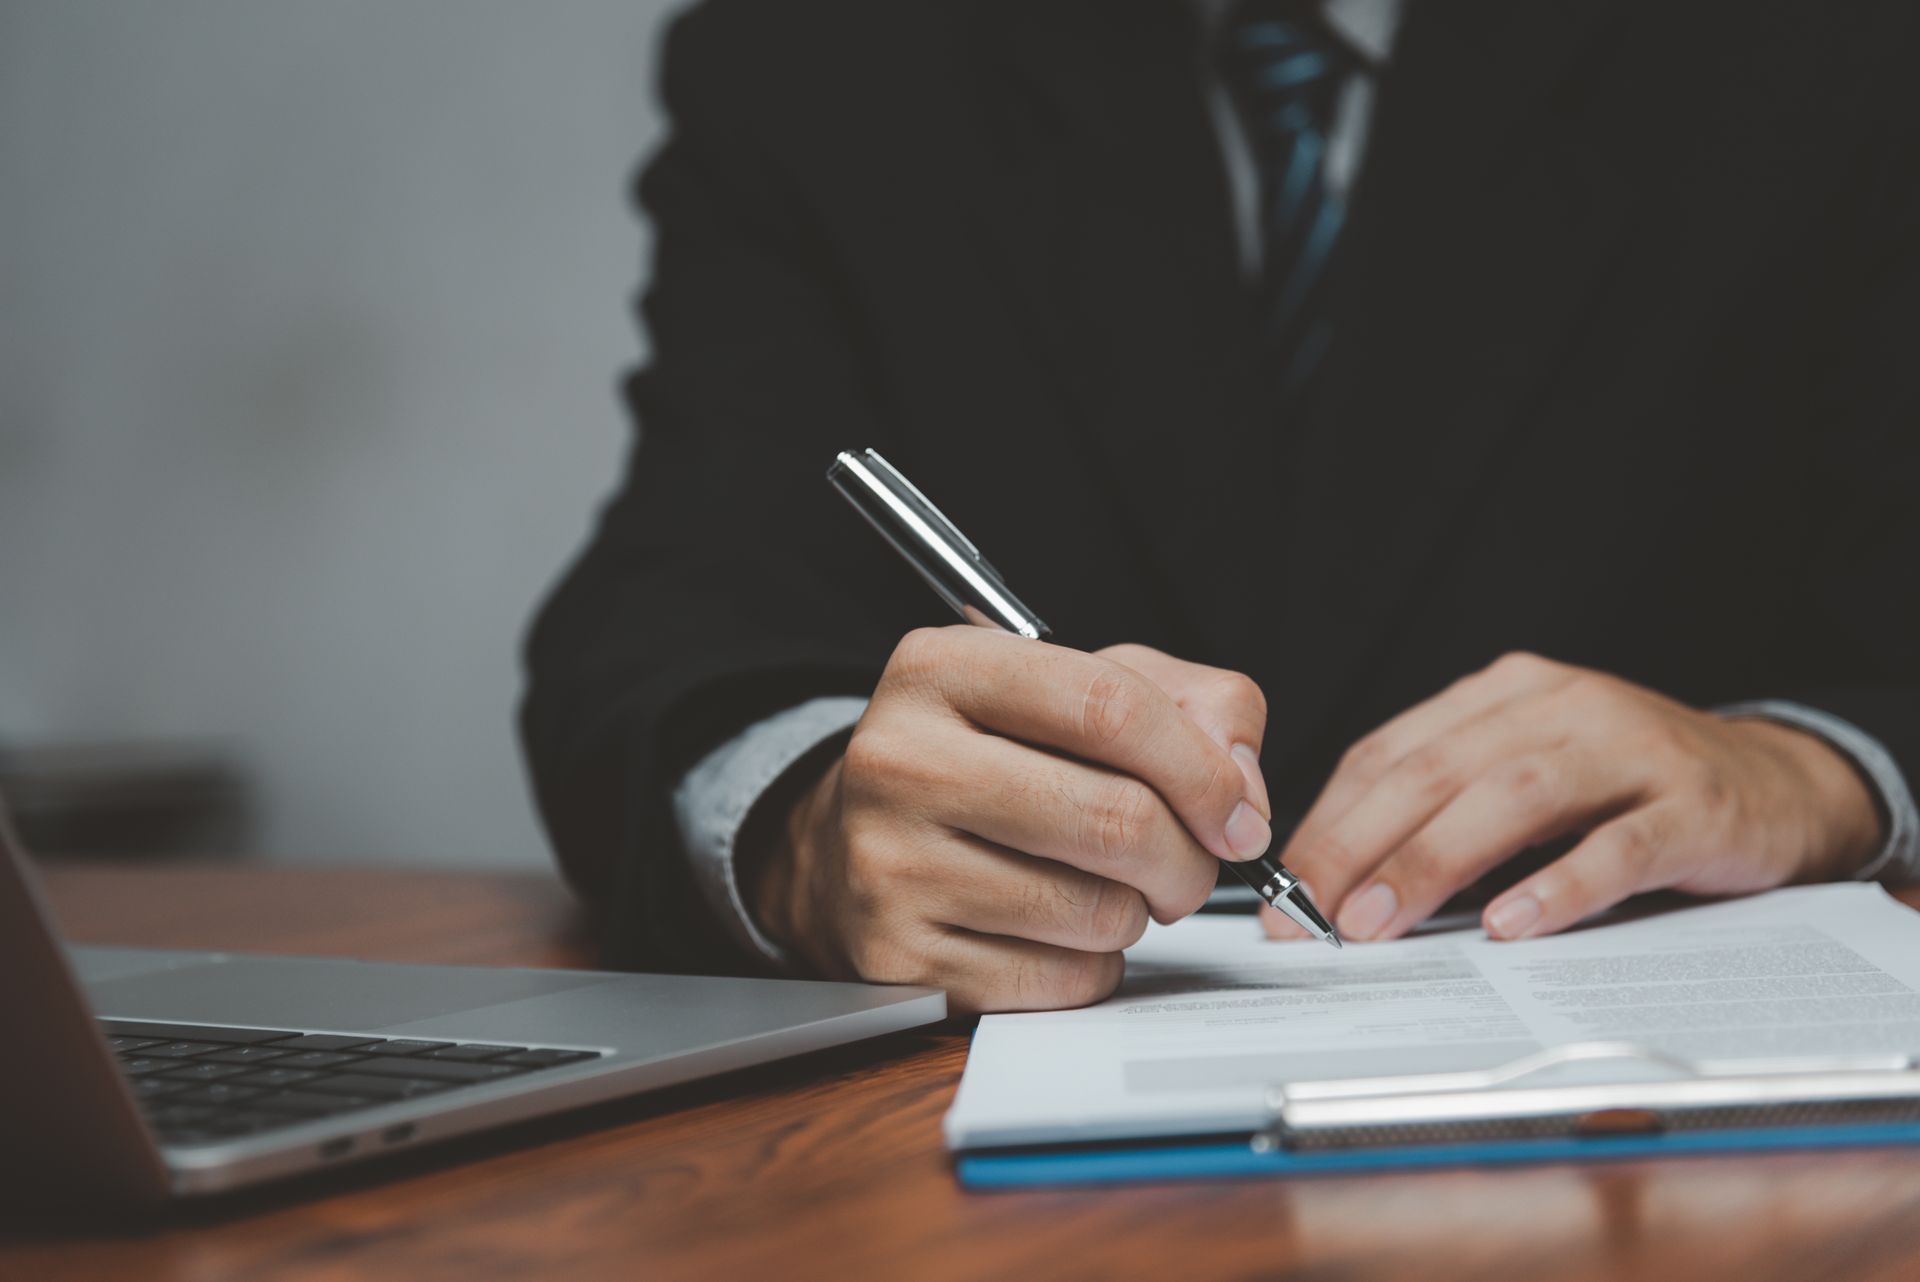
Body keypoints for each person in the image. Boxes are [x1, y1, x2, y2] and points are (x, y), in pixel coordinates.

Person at [520, 0, 1920, 1013]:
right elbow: (659, 616)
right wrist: (807, 829)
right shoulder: (819, 59)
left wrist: (1812, 771)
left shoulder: (1832, 49)